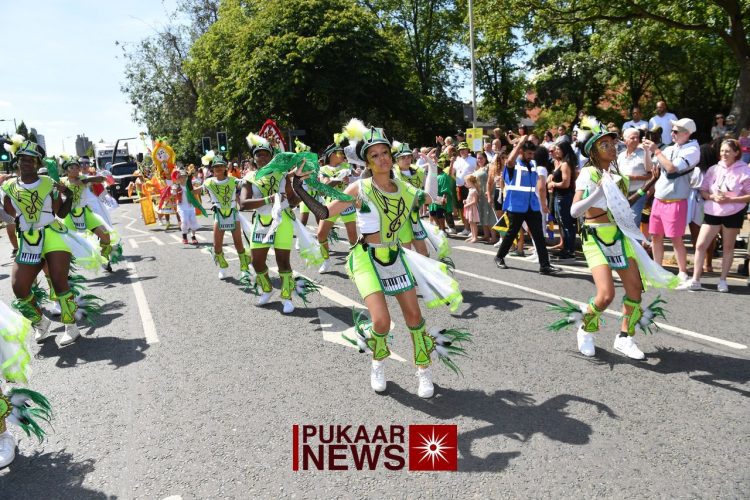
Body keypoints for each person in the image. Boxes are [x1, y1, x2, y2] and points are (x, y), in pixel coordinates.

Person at [291, 120, 469, 398]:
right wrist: (298, 186)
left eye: (385, 152)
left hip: (396, 255)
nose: (382, 158)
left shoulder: (404, 189)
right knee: (381, 321)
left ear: (391, 156)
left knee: (415, 317)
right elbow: (324, 213)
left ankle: (423, 370)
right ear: (368, 162)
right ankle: (378, 363)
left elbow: (430, 197)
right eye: (374, 155)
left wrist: (433, 169)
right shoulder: (359, 188)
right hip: (366, 258)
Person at [550, 117, 679, 359]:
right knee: (606, 294)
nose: (611, 148)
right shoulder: (588, 173)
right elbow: (574, 211)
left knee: (635, 290)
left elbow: (622, 205)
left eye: (612, 144)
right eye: (605, 145)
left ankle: (625, 338)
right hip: (594, 237)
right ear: (593, 151)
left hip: (618, 236)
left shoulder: (618, 175)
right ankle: (586, 329)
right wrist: (598, 191)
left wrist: (649, 185)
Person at [2, 139, 104, 347]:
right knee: (19, 287)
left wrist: (68, 195)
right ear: (17, 162)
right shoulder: (9, 187)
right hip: (28, 239)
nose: (26, 163)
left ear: (37, 163)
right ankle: (41, 322)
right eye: (22, 159)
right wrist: (16, 220)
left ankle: (71, 326)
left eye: (31, 160)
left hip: (53, 234)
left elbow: (61, 213)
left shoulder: (48, 183)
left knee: (59, 281)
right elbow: (9, 213)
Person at [684, 139, 750, 292]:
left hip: (733, 212)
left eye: (727, 151)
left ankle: (723, 281)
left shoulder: (744, 170)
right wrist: (712, 197)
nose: (724, 154)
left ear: (736, 153)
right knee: (700, 245)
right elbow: (703, 190)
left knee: (728, 247)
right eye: (722, 151)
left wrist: (731, 200)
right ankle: (695, 280)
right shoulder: (714, 169)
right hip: (712, 211)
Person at [643, 118, 700, 282]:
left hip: (676, 200)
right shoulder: (670, 148)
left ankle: (682, 272)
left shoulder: (692, 150)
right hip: (659, 199)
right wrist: (647, 151)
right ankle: (657, 269)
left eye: (675, 131)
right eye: (672, 131)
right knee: (655, 236)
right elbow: (649, 168)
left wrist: (656, 150)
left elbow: (671, 168)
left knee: (676, 238)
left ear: (686, 133)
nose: (672, 134)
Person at [493, 138, 561, 274]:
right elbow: (510, 161)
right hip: (516, 205)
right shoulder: (514, 164)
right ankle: (499, 257)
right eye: (529, 153)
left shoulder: (533, 164)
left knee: (539, 235)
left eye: (533, 154)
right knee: (512, 233)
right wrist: (519, 144)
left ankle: (544, 265)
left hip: (532, 205)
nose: (531, 156)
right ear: (521, 152)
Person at [60, 156, 121, 272]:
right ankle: (65, 272)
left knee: (105, 235)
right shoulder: (62, 181)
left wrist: (95, 179)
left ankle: (104, 259)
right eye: (72, 168)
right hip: (69, 215)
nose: (75, 169)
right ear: (66, 170)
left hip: (85, 213)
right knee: (65, 244)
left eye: (77, 167)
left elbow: (97, 179)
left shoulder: (84, 178)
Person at [201, 152, 251, 280]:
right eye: (216, 166)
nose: (218, 168)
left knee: (238, 243)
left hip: (233, 213)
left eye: (221, 166)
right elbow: (194, 191)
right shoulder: (208, 182)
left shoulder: (234, 181)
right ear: (212, 169)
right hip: (219, 215)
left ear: (225, 167)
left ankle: (245, 269)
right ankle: (223, 268)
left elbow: (248, 184)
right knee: (217, 246)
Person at [316, 139, 358, 273]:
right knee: (321, 234)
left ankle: (356, 260)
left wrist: (351, 178)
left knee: (352, 236)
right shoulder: (323, 169)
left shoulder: (347, 166)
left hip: (346, 203)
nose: (342, 154)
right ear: (331, 155)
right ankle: (326, 260)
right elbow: (324, 188)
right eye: (339, 152)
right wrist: (338, 178)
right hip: (331, 204)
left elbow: (359, 178)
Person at [393, 142, 428, 255]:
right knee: (407, 253)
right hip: (400, 216)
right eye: (403, 157)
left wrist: (433, 167)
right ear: (397, 160)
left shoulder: (418, 172)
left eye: (408, 157)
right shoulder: (391, 174)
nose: (407, 160)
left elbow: (426, 190)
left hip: (414, 216)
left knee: (424, 253)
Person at [547, 139, 578, 259]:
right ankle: (566, 248)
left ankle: (570, 251)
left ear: (564, 150)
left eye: (558, 149)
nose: (556, 151)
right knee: (562, 223)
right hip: (559, 196)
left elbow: (566, 183)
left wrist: (553, 184)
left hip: (564, 197)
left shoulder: (565, 164)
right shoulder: (561, 162)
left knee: (566, 224)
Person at [618, 127, 654, 229]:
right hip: (622, 194)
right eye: (632, 138)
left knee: (633, 224)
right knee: (622, 223)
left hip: (638, 193)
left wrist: (633, 177)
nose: (636, 140)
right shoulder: (621, 155)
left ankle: (635, 240)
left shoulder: (644, 153)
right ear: (625, 140)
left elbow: (651, 173)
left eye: (637, 137)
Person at [173, 167, 203, 244]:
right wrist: (172, 192)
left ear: (186, 178)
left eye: (184, 177)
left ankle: (193, 236)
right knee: (184, 221)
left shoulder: (190, 186)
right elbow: (172, 194)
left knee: (193, 222)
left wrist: (200, 188)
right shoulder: (176, 186)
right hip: (181, 207)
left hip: (190, 207)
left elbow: (195, 192)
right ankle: (184, 236)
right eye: (181, 177)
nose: (183, 179)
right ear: (178, 178)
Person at [463, 174, 481, 243]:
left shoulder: (474, 190)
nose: (466, 183)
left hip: (472, 208)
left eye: (466, 182)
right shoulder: (470, 190)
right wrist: (466, 201)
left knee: (473, 223)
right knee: (470, 222)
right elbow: (470, 199)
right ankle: (473, 236)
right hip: (469, 208)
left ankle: (475, 237)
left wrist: (467, 205)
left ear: (470, 182)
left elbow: (475, 201)